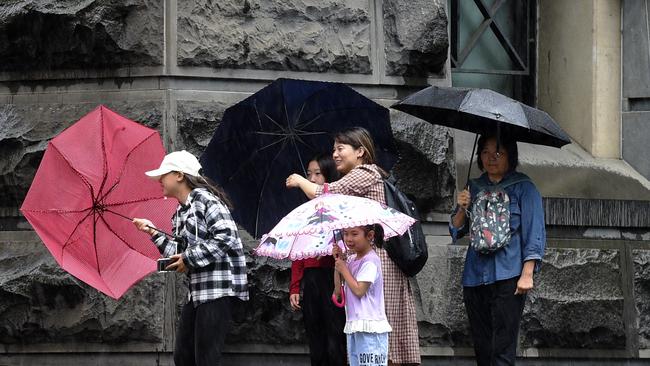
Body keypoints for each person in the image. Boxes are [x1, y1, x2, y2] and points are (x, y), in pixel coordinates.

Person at [286, 127, 420, 365]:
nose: (335, 154)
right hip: (366, 261)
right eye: (333, 149)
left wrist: (300, 180)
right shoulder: (360, 177)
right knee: (372, 339)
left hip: (379, 262)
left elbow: (323, 192)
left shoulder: (365, 172)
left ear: (360, 151)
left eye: (340, 148)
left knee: (380, 336)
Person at [132, 150, 248, 366]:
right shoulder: (180, 212)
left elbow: (227, 236)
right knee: (183, 357)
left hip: (218, 291)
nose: (159, 180)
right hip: (197, 292)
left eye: (163, 175)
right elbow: (178, 253)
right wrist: (153, 232)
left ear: (179, 175)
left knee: (206, 359)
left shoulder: (205, 200)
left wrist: (188, 258)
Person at [450, 134, 546, 366]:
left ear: (510, 156)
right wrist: (463, 207)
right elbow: (455, 230)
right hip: (474, 276)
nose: (491, 158)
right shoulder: (473, 187)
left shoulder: (524, 187)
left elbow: (535, 231)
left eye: (498, 152)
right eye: (485, 152)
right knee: (482, 346)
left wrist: (527, 273)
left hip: (509, 275)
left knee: (503, 346)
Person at [289, 153, 347, 366]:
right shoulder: (303, 211)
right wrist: (295, 287)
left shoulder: (338, 207)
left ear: (329, 176)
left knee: (336, 336)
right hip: (311, 279)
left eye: (318, 174)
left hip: (334, 276)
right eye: (309, 174)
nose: (312, 179)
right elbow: (298, 252)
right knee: (315, 335)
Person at [333, 224, 392, 366]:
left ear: (370, 236)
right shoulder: (352, 260)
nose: (348, 238)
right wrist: (338, 264)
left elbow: (359, 290)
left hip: (370, 326)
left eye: (354, 234)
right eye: (345, 234)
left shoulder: (370, 261)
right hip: (355, 325)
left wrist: (344, 269)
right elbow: (337, 292)